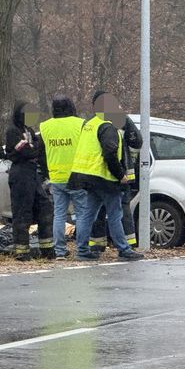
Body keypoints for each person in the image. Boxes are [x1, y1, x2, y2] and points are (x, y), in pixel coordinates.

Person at [68, 91, 144, 261]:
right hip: (104, 178)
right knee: (115, 215)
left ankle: (81, 250)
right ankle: (124, 249)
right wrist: (121, 175)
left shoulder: (89, 123)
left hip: (85, 176)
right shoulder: (108, 126)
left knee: (88, 214)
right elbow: (109, 153)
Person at [5, 101, 54, 261]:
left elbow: (38, 149)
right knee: (22, 212)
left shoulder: (29, 131)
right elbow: (25, 152)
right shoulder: (13, 131)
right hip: (20, 175)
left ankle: (47, 249)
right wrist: (33, 149)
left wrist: (34, 149)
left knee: (44, 208)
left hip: (33, 175)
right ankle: (22, 251)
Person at [39, 95, 86, 260]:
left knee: (59, 214)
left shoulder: (45, 127)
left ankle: (59, 251)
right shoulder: (80, 124)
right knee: (81, 213)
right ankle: (82, 249)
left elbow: (41, 153)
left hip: (56, 177)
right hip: (77, 175)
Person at [90, 111, 143, 251]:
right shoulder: (116, 120)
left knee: (101, 209)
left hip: (107, 174)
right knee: (118, 210)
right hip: (119, 173)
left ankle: (98, 244)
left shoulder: (93, 123)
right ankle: (126, 244)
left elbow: (135, 142)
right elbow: (137, 142)